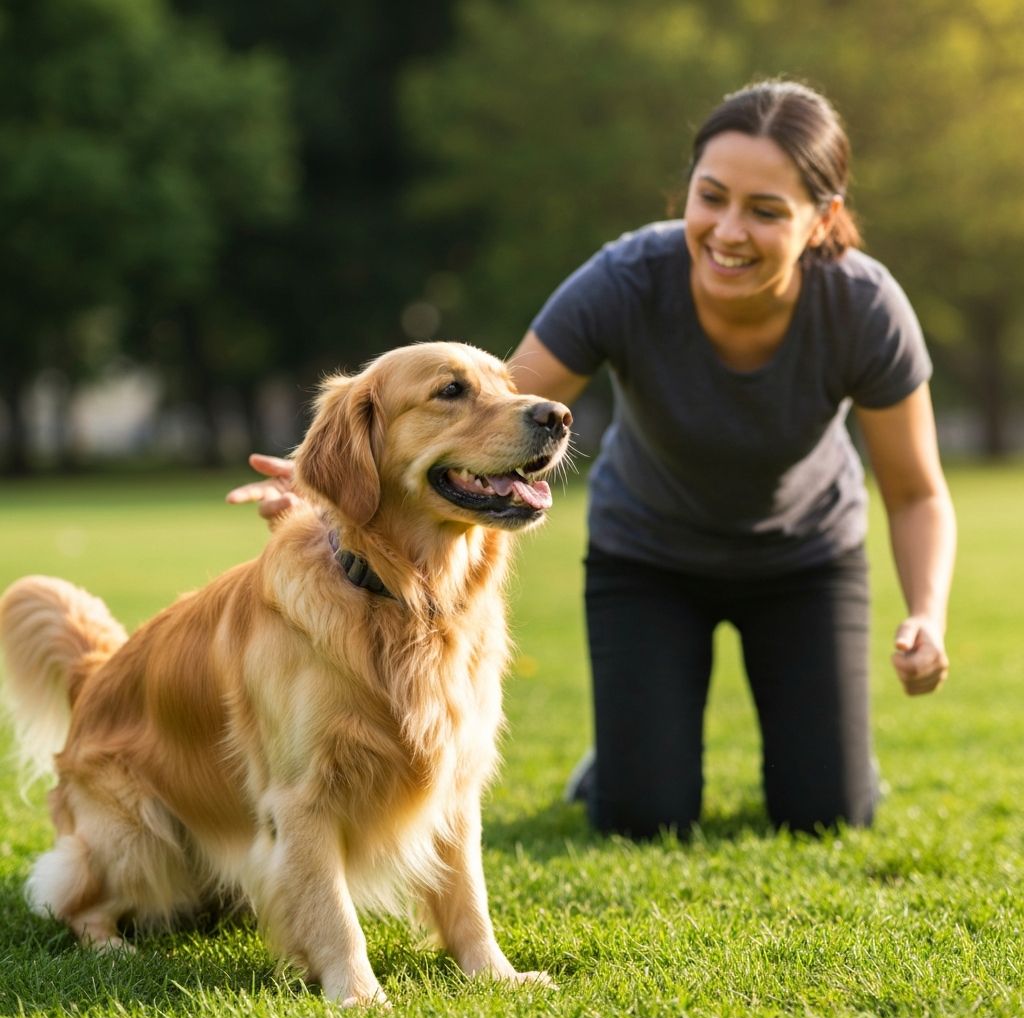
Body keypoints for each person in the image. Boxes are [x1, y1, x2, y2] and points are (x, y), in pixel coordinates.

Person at [228, 80, 956, 838]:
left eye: (766, 211)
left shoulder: (864, 307)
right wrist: (333, 482)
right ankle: (624, 757)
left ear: (823, 220)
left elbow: (916, 493)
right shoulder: (627, 278)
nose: (728, 231)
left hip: (805, 560)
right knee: (640, 816)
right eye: (711, 197)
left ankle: (833, 753)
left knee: (828, 812)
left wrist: (927, 616)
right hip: (649, 559)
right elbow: (491, 417)